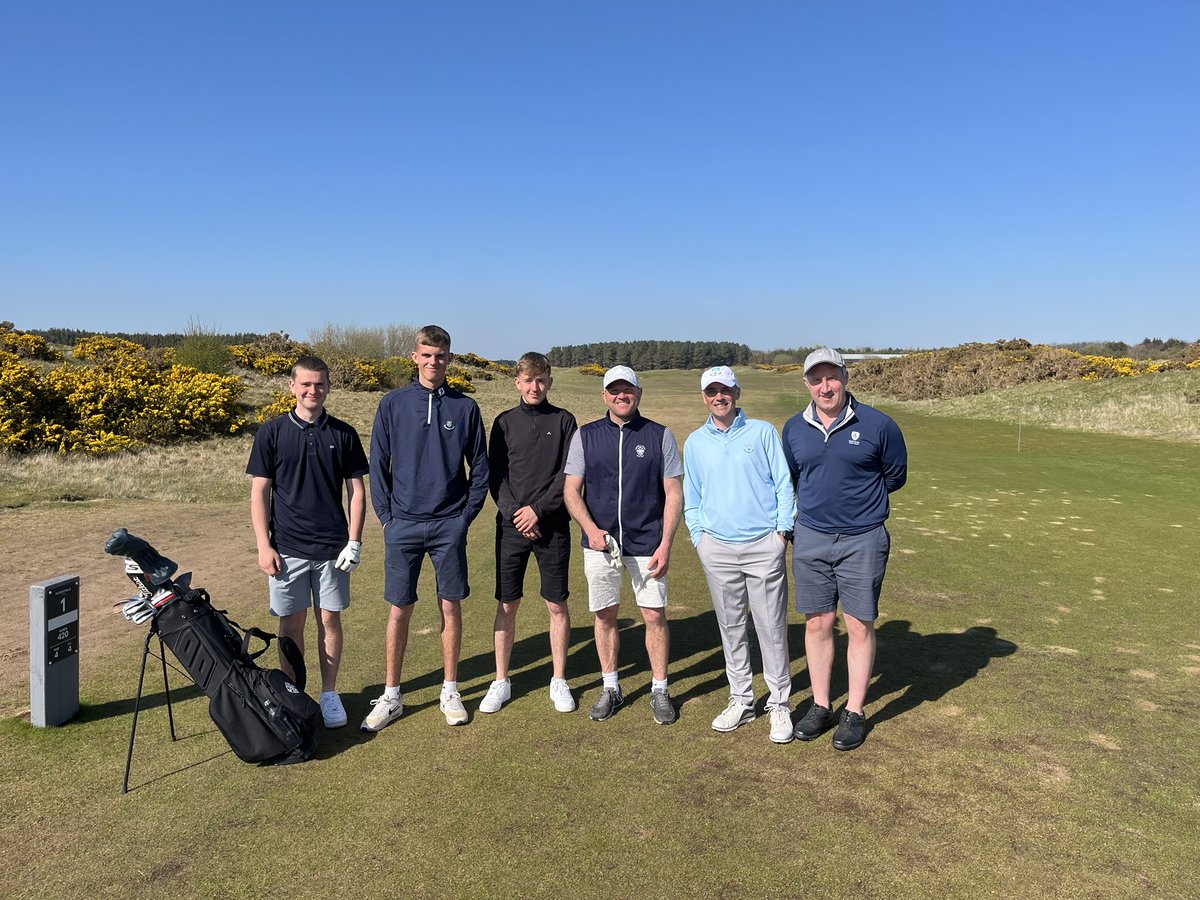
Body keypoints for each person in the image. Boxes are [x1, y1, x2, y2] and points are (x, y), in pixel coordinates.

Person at [361, 325, 489, 731]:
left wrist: (464, 517)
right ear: (415, 357)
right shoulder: (393, 403)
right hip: (403, 523)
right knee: (400, 608)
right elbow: (377, 465)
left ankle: (450, 688)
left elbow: (481, 469)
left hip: (449, 523)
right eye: (426, 355)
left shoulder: (465, 407)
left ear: (450, 359)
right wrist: (385, 517)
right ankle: (392, 694)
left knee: (450, 604)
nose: (434, 362)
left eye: (441, 356)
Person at [782, 348, 907, 751]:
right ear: (806, 384)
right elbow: (795, 476)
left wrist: (858, 506)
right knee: (818, 623)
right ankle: (821, 705)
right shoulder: (794, 429)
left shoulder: (879, 425)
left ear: (845, 377)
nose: (825, 386)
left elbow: (895, 476)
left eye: (831, 377)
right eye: (816, 379)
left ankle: (854, 710)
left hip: (863, 538)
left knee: (858, 624)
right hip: (812, 536)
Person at [247, 355, 368, 729]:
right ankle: (295, 694)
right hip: (286, 549)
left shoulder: (344, 433)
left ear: (328, 387)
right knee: (290, 625)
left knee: (329, 620)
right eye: (306, 384)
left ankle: (329, 694)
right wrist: (263, 545)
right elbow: (259, 493)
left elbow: (357, 492)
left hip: (332, 548)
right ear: (292, 386)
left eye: (319, 384)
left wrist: (354, 541)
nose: (313, 390)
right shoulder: (272, 432)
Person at [563, 365, 683, 725]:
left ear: (638, 393)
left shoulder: (660, 435)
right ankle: (611, 686)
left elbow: (673, 492)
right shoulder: (586, 436)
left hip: (648, 541)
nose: (621, 395)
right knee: (606, 614)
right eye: (614, 390)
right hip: (600, 544)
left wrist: (666, 544)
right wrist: (591, 529)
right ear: (604, 396)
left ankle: (660, 688)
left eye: (627, 389)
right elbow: (571, 489)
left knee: (653, 615)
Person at [683, 366, 797, 744]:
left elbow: (784, 484)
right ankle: (742, 699)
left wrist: (781, 533)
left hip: (763, 545)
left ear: (737, 392)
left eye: (725, 390)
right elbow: (693, 497)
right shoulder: (696, 442)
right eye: (712, 391)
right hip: (717, 547)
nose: (719, 397)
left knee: (771, 628)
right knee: (731, 629)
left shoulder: (762, 432)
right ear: (704, 396)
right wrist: (700, 538)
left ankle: (779, 703)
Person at [480, 352, 579, 714]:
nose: (535, 386)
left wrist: (536, 511)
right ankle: (501, 681)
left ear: (550, 382)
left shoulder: (565, 420)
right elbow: (497, 476)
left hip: (552, 525)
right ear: (517, 382)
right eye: (528, 379)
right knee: (507, 604)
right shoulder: (504, 422)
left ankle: (559, 680)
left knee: (556, 604)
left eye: (541, 380)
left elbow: (568, 475)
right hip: (511, 527)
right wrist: (517, 514)